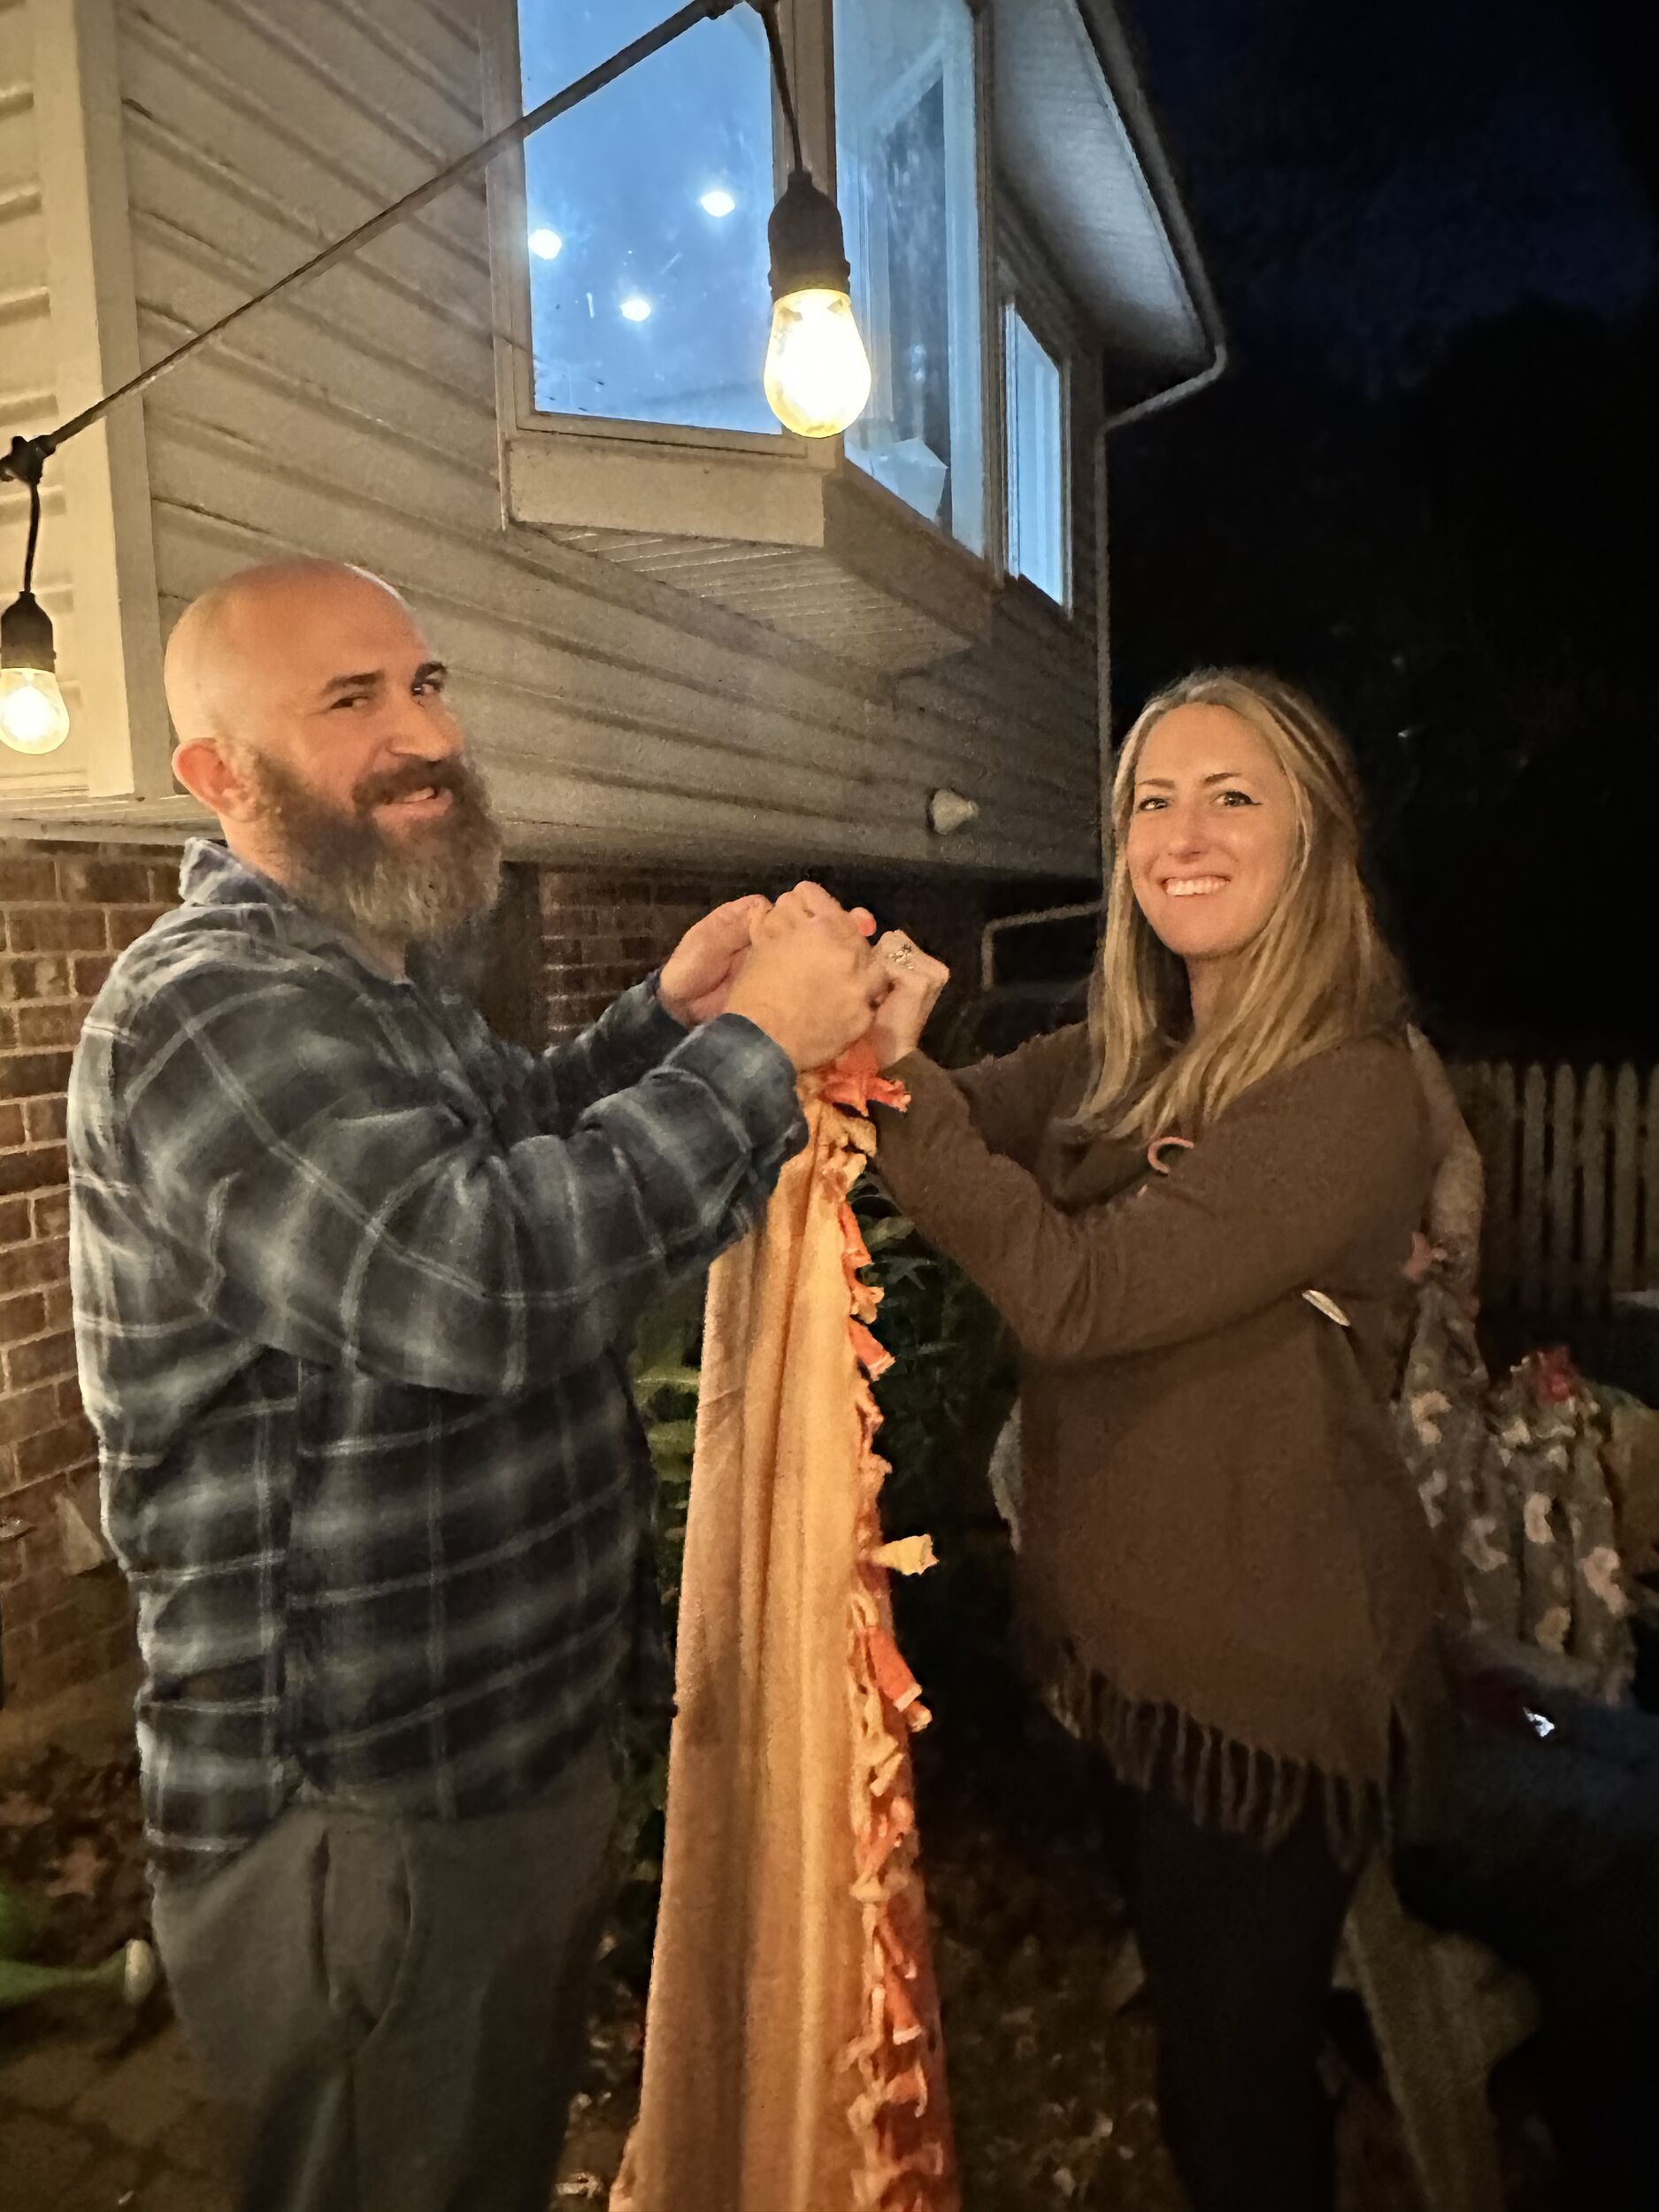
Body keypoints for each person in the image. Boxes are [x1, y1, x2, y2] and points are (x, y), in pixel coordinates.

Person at [65, 558, 884, 2212]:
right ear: (218, 777)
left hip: (479, 1766)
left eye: (424, 682)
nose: (423, 732)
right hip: (360, 1822)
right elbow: (479, 1277)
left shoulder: (366, 974)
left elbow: (514, 1130)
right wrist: (756, 1059)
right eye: (350, 700)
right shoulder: (211, 1009)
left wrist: (671, 1019)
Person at [864, 669, 1443, 2212]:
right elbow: (963, 1114)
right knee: (1206, 2028)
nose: (1181, 833)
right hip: (1127, 1644)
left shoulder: (1348, 1090)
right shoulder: (1128, 1044)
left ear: (1316, 836)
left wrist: (900, 1096)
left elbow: (1077, 1294)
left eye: (1231, 795)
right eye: (1148, 803)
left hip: (1262, 1667)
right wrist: (869, 1032)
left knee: (1229, 2094)